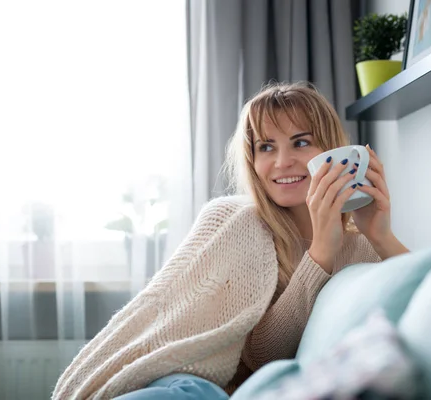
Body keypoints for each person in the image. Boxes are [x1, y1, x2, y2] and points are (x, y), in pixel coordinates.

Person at [52, 81, 409, 400]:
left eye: (300, 142)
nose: (282, 162)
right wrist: (321, 254)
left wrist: (381, 236)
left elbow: (428, 296)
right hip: (187, 387)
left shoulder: (359, 247)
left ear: (332, 150)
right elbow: (261, 354)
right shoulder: (236, 221)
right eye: (266, 147)